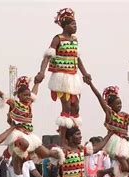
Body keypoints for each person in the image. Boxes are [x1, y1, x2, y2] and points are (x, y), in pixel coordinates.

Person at [34, 8, 91, 136]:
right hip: (61, 78)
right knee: (66, 108)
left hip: (73, 77)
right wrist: (41, 72)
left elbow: (77, 59)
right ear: (65, 26)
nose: (75, 26)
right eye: (72, 24)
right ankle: (64, 140)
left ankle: (75, 134)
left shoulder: (75, 40)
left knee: (76, 107)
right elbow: (47, 56)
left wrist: (85, 73)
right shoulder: (57, 39)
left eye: (76, 24)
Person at [86, 83, 129, 173]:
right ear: (111, 105)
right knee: (125, 167)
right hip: (114, 141)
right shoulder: (110, 113)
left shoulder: (125, 115)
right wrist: (90, 84)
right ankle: (105, 172)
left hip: (124, 142)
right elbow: (99, 96)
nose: (119, 105)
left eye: (120, 103)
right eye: (117, 104)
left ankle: (116, 174)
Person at [0, 76, 49, 163]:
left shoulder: (29, 104)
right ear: (19, 95)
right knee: (21, 147)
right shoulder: (15, 104)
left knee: (44, 152)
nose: (28, 97)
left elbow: (34, 93)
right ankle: (0, 153)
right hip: (17, 132)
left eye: (28, 95)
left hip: (29, 134)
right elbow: (2, 95)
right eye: (25, 95)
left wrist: (37, 83)